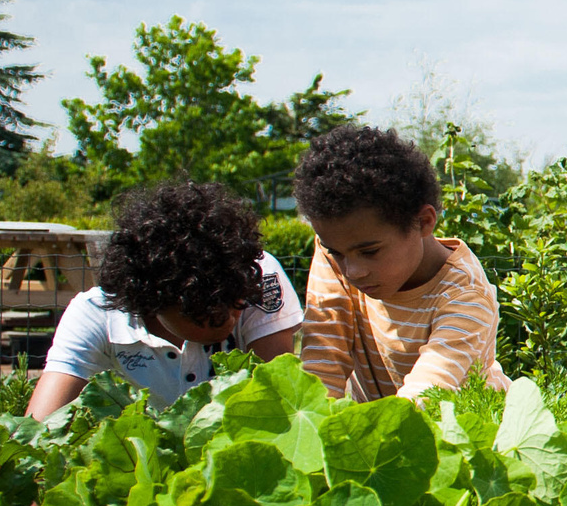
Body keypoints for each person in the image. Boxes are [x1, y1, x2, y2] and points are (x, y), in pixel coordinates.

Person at [26, 182, 300, 420]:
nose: (230, 317)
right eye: (207, 312)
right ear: (151, 301)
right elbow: (40, 427)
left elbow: (281, 401)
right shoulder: (95, 313)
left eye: (236, 300)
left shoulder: (257, 275)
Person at [294, 125, 508, 401]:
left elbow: (425, 395)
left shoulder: (466, 296)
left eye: (370, 252)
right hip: (386, 427)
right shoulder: (336, 250)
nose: (352, 271)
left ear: (423, 222)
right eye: (337, 253)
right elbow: (323, 364)